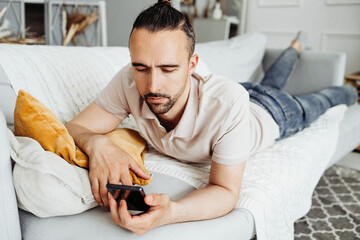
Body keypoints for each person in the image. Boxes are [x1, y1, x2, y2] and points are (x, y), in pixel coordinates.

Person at [65, 0, 357, 235]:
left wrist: (173, 213)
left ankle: (344, 84)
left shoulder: (229, 102)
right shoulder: (129, 80)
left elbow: (226, 191)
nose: (152, 86)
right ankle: (295, 47)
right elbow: (77, 127)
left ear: (192, 64)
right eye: (141, 68)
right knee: (269, 80)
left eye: (168, 69)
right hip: (236, 96)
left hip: (272, 111)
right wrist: (97, 144)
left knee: (325, 100)